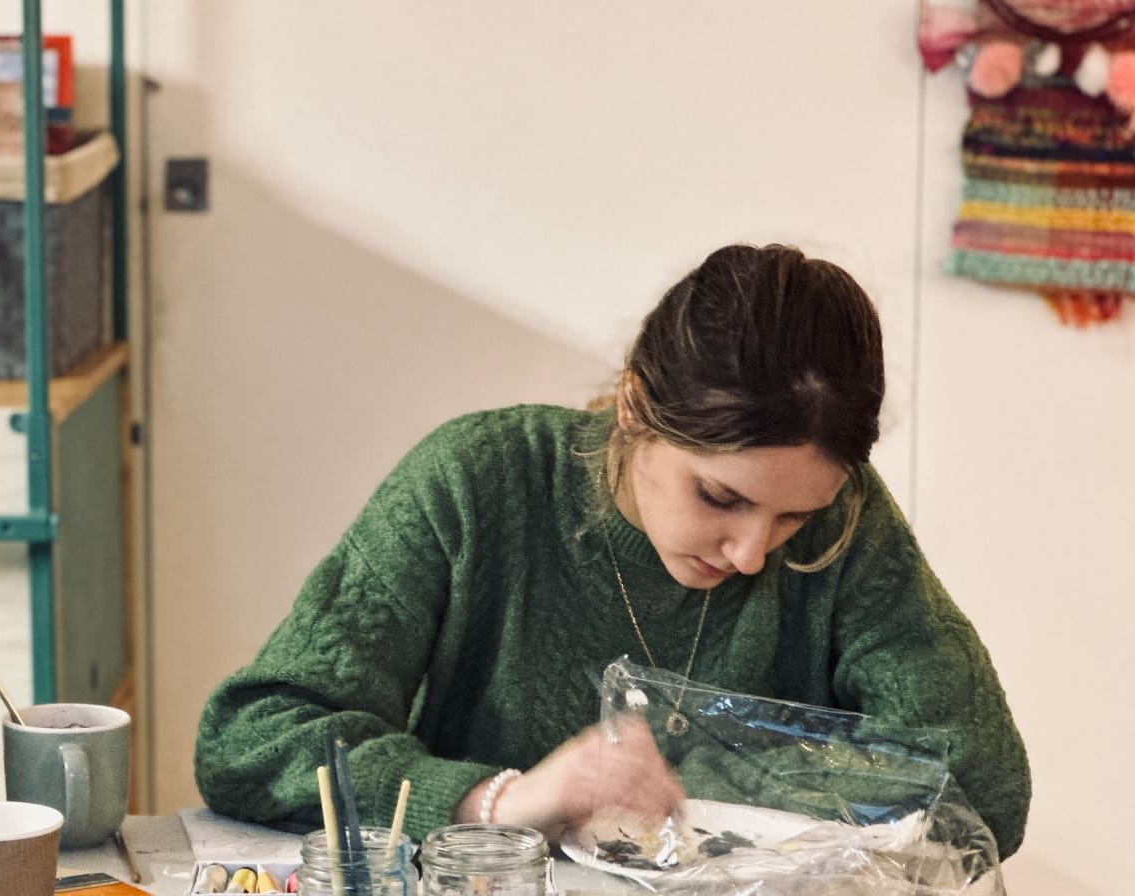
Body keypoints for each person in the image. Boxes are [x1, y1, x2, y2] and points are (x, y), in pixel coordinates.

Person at [196, 243, 1030, 861]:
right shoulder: (477, 481)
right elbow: (250, 739)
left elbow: (983, 793)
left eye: (791, 520)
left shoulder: (846, 525)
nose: (749, 554)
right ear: (635, 407)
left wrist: (705, 777)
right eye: (721, 497)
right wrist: (498, 799)